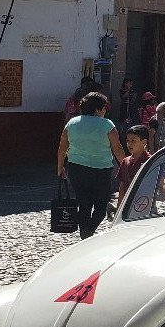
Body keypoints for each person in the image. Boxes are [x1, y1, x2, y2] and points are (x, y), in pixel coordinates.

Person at [57, 92, 126, 239]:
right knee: (101, 205)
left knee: (83, 201)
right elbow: (117, 148)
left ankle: (85, 232)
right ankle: (89, 230)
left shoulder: (72, 123)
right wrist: (126, 165)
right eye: (104, 108)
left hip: (76, 168)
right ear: (97, 109)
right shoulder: (107, 124)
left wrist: (60, 166)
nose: (105, 111)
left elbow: (63, 146)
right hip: (101, 169)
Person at [114, 125, 152, 210]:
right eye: (128, 141)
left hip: (145, 205)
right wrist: (119, 207)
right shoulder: (125, 161)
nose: (129, 144)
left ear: (144, 142)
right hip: (128, 206)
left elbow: (161, 180)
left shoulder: (150, 160)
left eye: (133, 141)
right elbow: (122, 186)